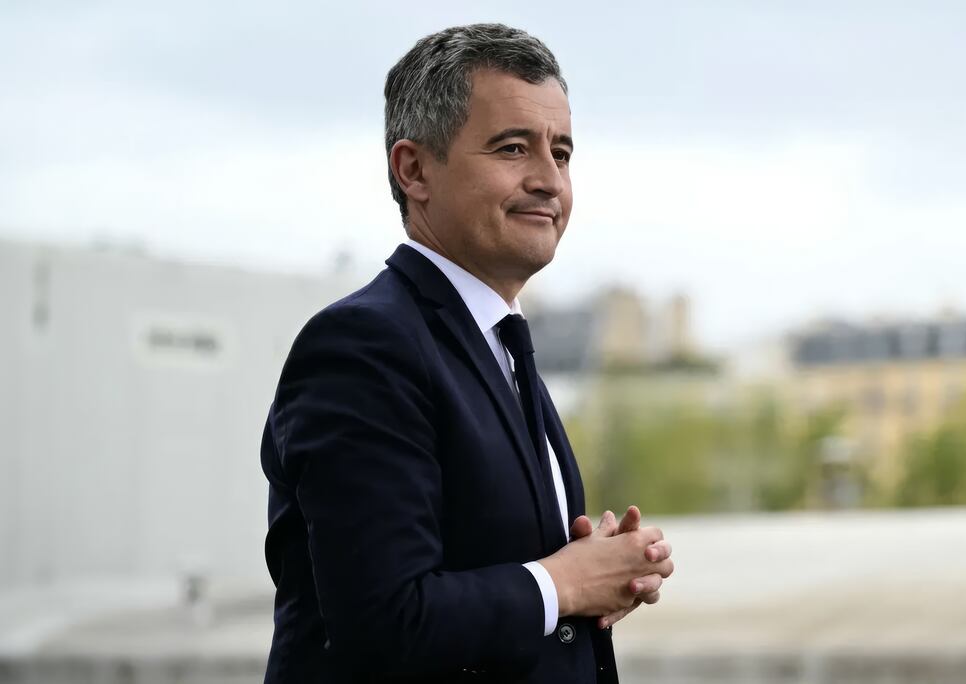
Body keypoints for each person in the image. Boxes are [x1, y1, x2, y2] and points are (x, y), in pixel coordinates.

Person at [259, 23, 674, 683]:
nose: (549, 180)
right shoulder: (364, 346)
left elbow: (501, 577)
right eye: (513, 148)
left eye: (562, 153)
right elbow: (382, 622)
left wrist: (601, 576)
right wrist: (562, 583)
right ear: (414, 170)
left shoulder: (496, 340)